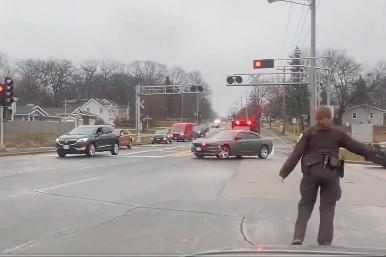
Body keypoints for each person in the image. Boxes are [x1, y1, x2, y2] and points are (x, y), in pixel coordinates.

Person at [279, 106, 375, 246]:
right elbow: (355, 146)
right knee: (327, 209)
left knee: (305, 206)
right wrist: (370, 153)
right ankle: (324, 241)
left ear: (316, 117)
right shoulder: (338, 134)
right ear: (331, 117)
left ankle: (298, 238)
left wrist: (283, 173)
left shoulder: (308, 133)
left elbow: (296, 155)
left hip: (310, 175)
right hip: (331, 174)